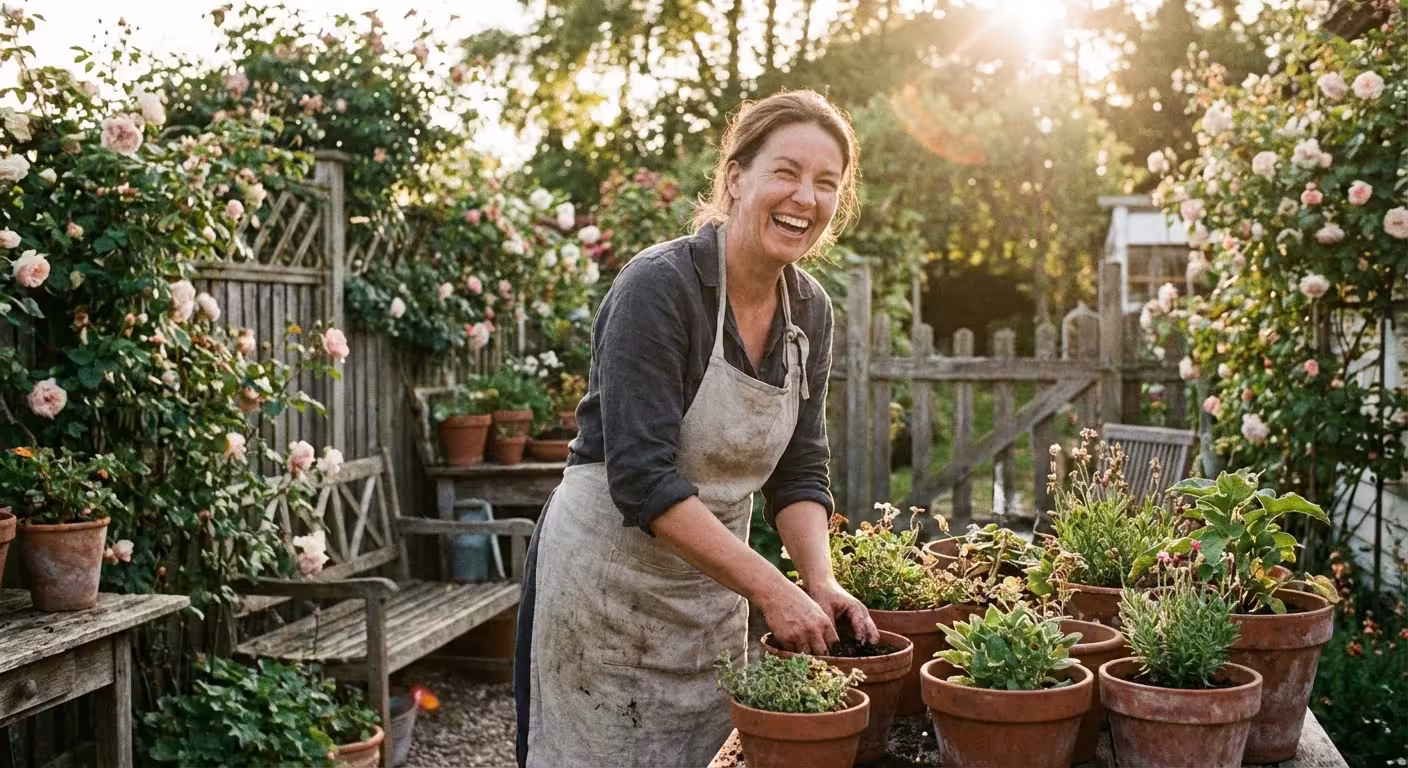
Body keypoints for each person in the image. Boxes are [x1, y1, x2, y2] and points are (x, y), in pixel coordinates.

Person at [514, 88, 876, 768]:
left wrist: (818, 582)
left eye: (827, 183)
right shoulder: (661, 287)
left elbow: (800, 470)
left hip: (709, 594)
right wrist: (773, 589)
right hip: (603, 589)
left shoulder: (811, 314)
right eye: (786, 172)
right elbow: (643, 479)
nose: (805, 197)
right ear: (736, 178)